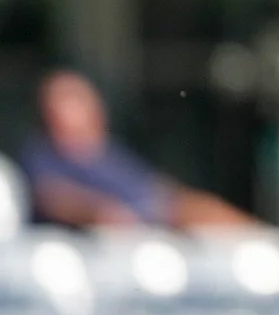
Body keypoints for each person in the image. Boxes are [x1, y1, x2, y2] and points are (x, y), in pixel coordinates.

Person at [20, 69, 256, 229]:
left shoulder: (110, 152)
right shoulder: (42, 155)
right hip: (118, 234)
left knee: (206, 210)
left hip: (156, 217)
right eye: (67, 100)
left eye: (80, 99)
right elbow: (53, 197)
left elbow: (156, 190)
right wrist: (100, 214)